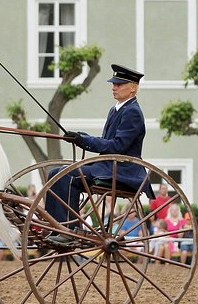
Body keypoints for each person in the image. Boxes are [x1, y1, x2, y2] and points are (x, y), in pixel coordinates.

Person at [46, 64, 152, 245]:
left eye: (119, 84)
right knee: (54, 173)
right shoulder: (116, 109)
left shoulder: (132, 112)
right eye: (113, 84)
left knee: (69, 175)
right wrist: (80, 137)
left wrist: (85, 141)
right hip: (107, 164)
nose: (114, 87)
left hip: (123, 169)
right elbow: (106, 141)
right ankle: (54, 226)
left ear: (133, 87)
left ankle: (69, 231)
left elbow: (117, 146)